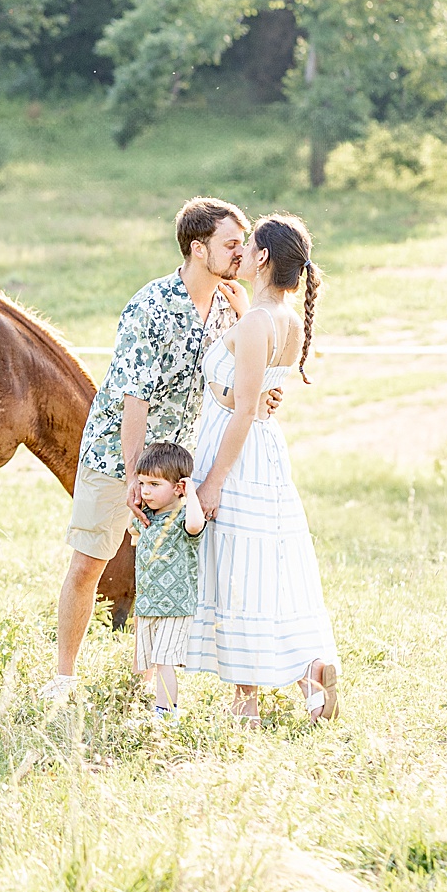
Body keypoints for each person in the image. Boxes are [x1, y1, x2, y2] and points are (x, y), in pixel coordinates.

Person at [39, 196, 279, 702]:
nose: (242, 253)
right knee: (89, 562)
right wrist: (132, 478)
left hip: (178, 464)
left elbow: (224, 384)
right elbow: (134, 401)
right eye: (231, 244)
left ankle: (143, 681)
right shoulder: (150, 305)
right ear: (198, 249)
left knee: (161, 566)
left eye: (243, 243)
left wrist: (256, 397)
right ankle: (63, 678)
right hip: (116, 455)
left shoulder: (227, 307)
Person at [188, 213, 340, 723]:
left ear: (264, 259)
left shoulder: (256, 324)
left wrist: (213, 482)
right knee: (269, 568)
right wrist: (226, 390)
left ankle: (245, 703)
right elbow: (250, 395)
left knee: (239, 572)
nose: (241, 254)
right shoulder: (287, 320)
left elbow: (245, 406)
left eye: (248, 246)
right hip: (265, 452)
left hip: (237, 453)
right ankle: (310, 673)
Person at [125, 442, 204, 721]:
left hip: (175, 605)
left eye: (154, 484)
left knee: (164, 661)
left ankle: (166, 713)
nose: (146, 491)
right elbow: (131, 531)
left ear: (178, 488)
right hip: (148, 604)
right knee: (152, 660)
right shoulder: (147, 518)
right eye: (143, 483)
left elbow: (196, 525)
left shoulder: (183, 515)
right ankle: (156, 706)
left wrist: (192, 492)